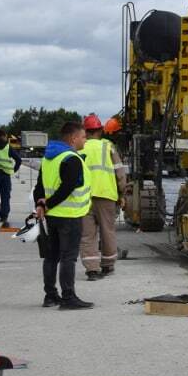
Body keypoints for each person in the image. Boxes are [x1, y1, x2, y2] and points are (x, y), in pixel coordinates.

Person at [33, 121, 93, 309]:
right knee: (68, 257)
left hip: (52, 216)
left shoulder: (49, 158)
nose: (85, 140)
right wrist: (47, 204)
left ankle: (50, 296)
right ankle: (68, 298)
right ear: (74, 138)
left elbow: (39, 187)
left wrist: (41, 204)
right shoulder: (71, 158)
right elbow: (67, 188)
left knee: (51, 256)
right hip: (70, 215)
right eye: (83, 137)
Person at [80, 114, 129, 280]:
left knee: (87, 234)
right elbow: (120, 172)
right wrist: (122, 193)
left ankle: (91, 270)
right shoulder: (108, 147)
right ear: (100, 130)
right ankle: (107, 265)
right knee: (107, 232)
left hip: (83, 197)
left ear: (85, 131)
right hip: (107, 195)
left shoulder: (80, 147)